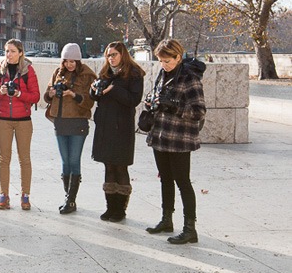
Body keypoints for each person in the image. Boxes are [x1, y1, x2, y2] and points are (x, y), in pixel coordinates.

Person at [144, 39, 207, 244]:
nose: (164, 64)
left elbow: (199, 111)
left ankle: (190, 228)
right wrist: (151, 101)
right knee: (165, 179)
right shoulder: (163, 73)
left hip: (180, 138)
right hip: (161, 135)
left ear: (178, 57)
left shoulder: (190, 77)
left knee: (183, 182)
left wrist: (174, 107)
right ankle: (166, 219)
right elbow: (156, 95)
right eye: (161, 60)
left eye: (167, 61)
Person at [90, 41, 145, 222]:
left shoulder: (134, 74)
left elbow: (133, 100)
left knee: (120, 167)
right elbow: (96, 97)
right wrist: (94, 91)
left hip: (121, 127)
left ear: (123, 54)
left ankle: (121, 209)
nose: (111, 58)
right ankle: (110, 207)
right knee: (108, 166)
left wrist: (113, 90)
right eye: (108, 55)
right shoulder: (105, 73)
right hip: (105, 126)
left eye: (114, 55)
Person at [42, 43, 97, 214]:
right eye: (66, 61)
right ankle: (68, 197)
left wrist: (73, 95)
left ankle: (71, 200)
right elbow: (46, 96)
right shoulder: (58, 73)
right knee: (65, 162)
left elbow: (90, 101)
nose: (70, 64)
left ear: (79, 60)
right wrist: (50, 94)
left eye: (73, 61)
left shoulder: (88, 75)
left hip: (78, 122)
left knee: (74, 161)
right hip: (60, 122)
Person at [0, 39, 41, 211]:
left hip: (23, 120)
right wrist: (0, 91)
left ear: (20, 52)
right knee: (4, 159)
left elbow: (35, 97)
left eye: (12, 51)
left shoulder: (28, 70)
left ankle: (25, 196)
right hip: (3, 119)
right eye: (6, 51)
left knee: (24, 159)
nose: (8, 54)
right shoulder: (0, 69)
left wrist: (19, 93)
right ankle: (4, 195)